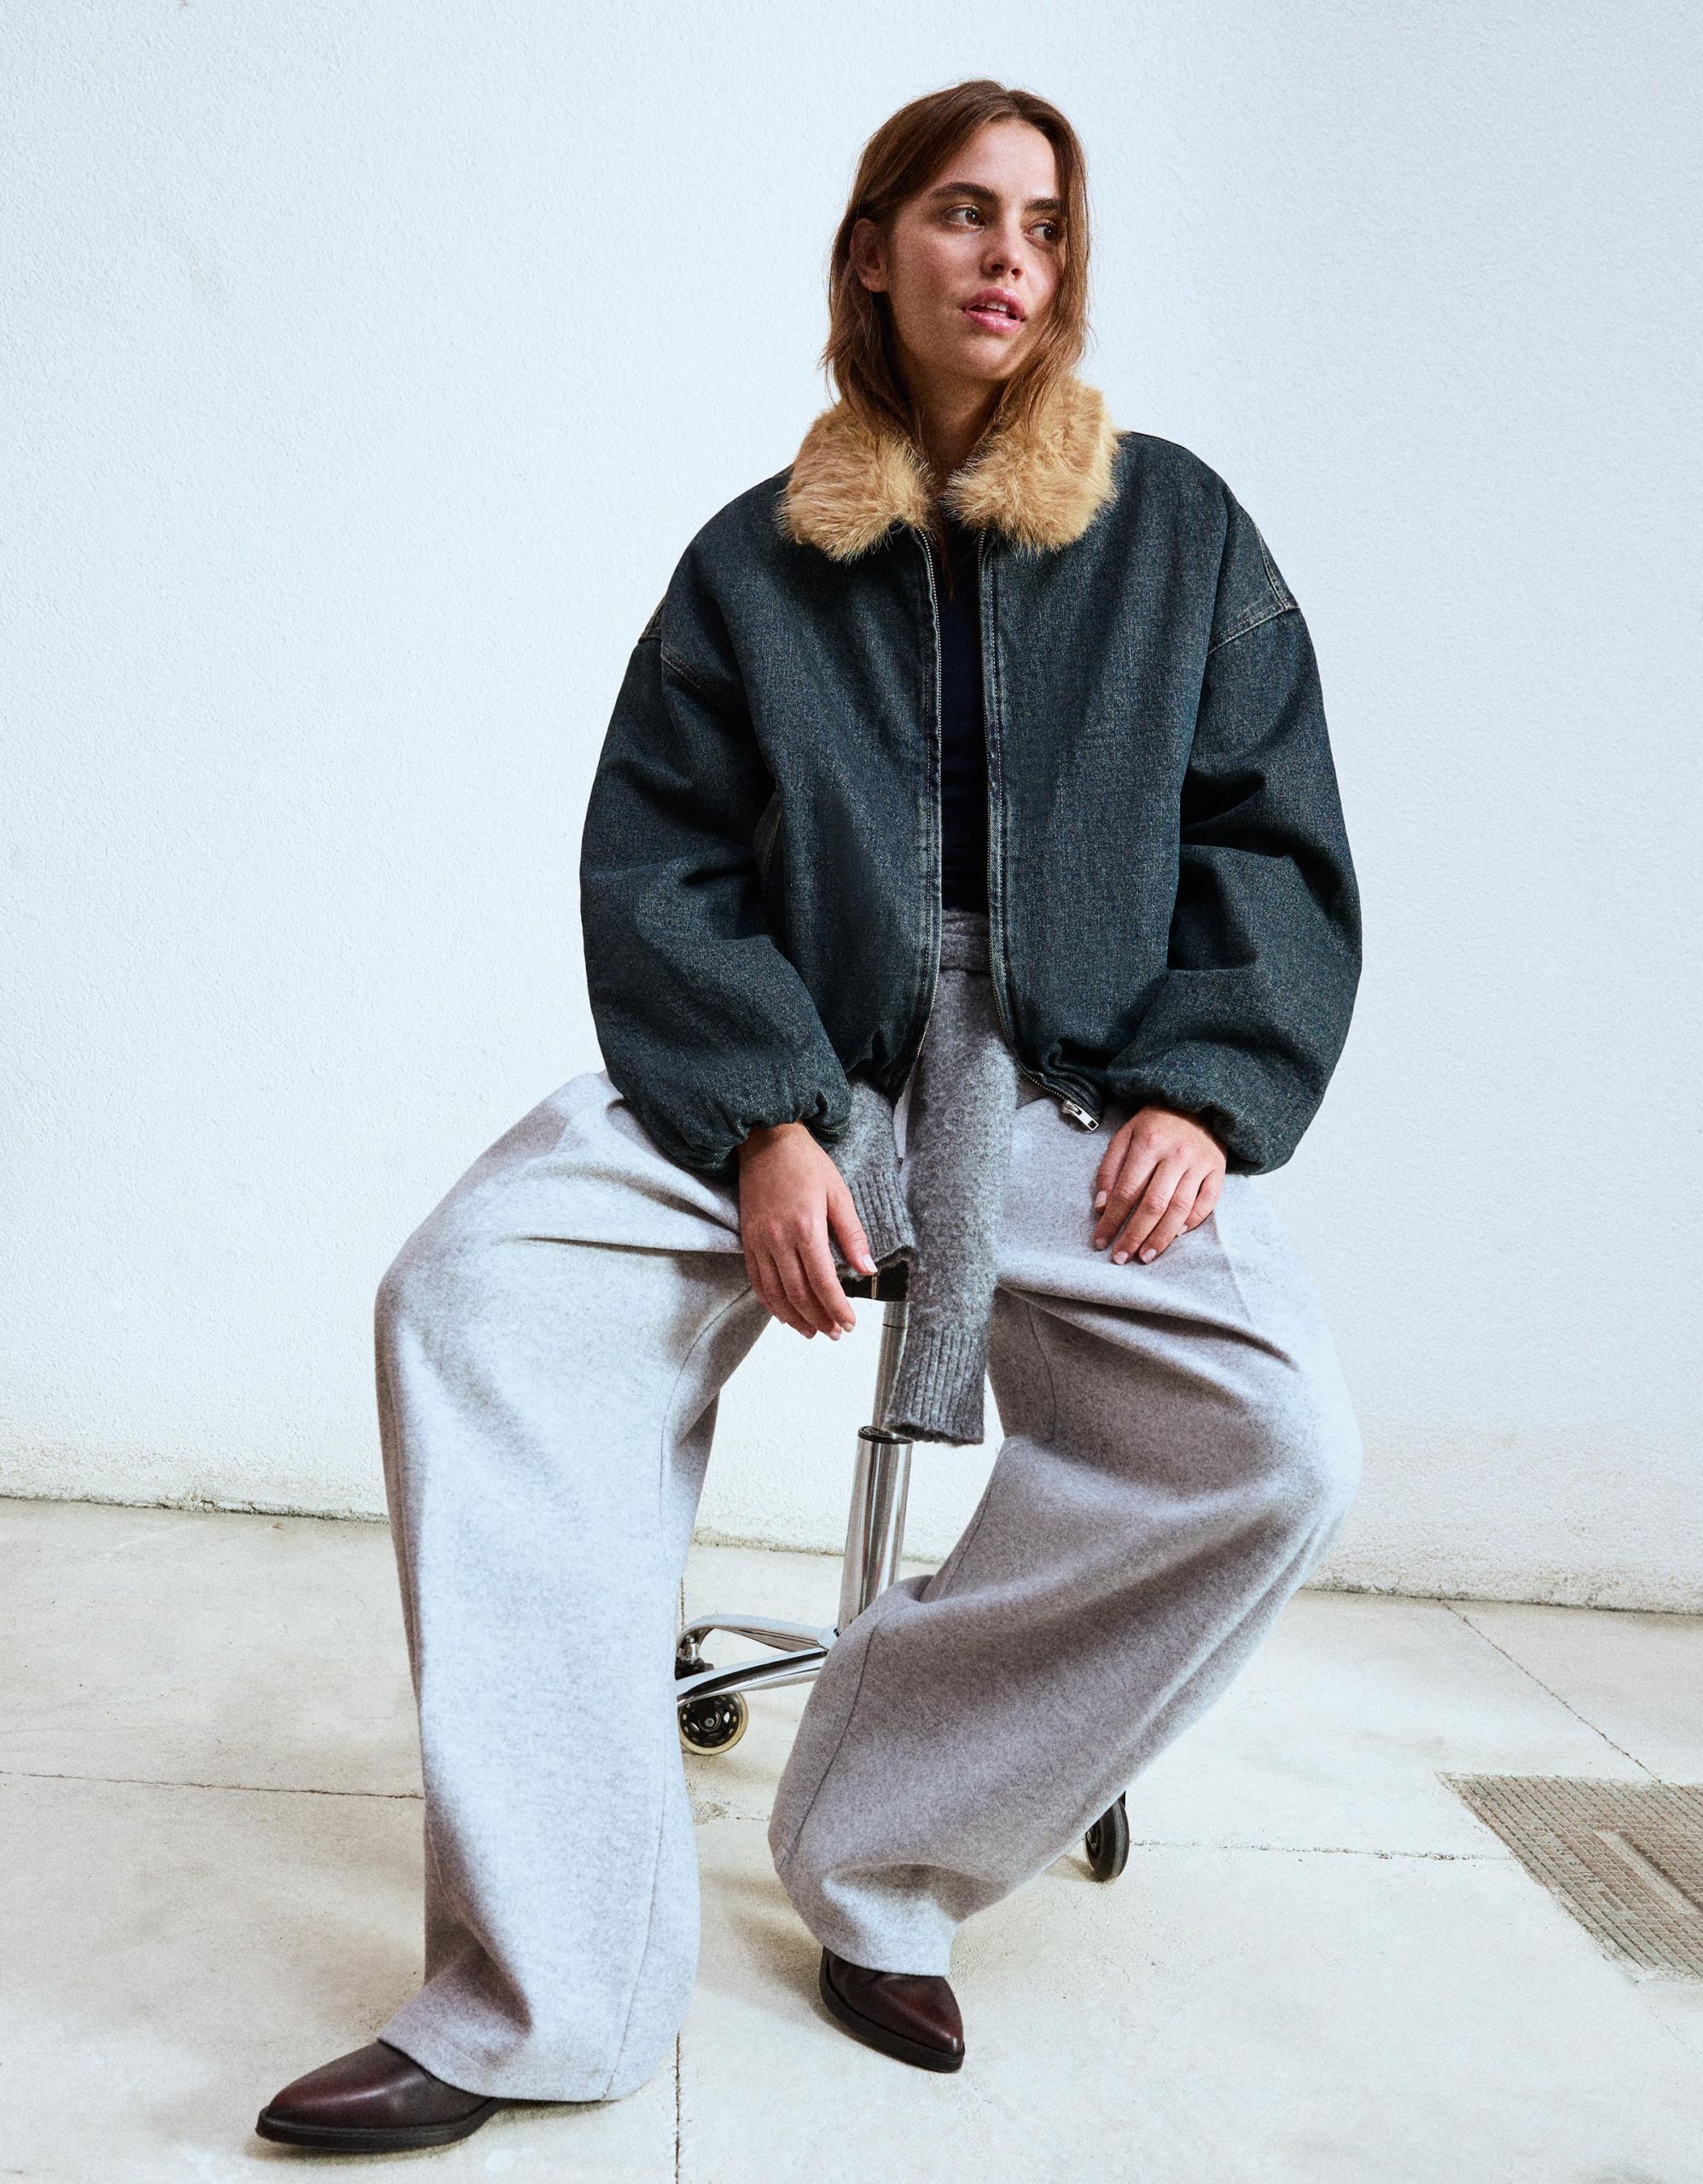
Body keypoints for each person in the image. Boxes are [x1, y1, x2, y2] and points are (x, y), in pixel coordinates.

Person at [256, 78, 1364, 2156]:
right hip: (801, 1050)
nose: (1008, 256)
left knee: (1276, 1441)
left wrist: (1204, 1090)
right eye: (960, 211)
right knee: (473, 1292)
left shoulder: (1175, 528)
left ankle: (883, 1835)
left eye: (1043, 222)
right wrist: (766, 1114)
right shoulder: (755, 557)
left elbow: (1269, 842)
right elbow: (660, 863)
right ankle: (537, 1987)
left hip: (1065, 1077)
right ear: (872, 249)